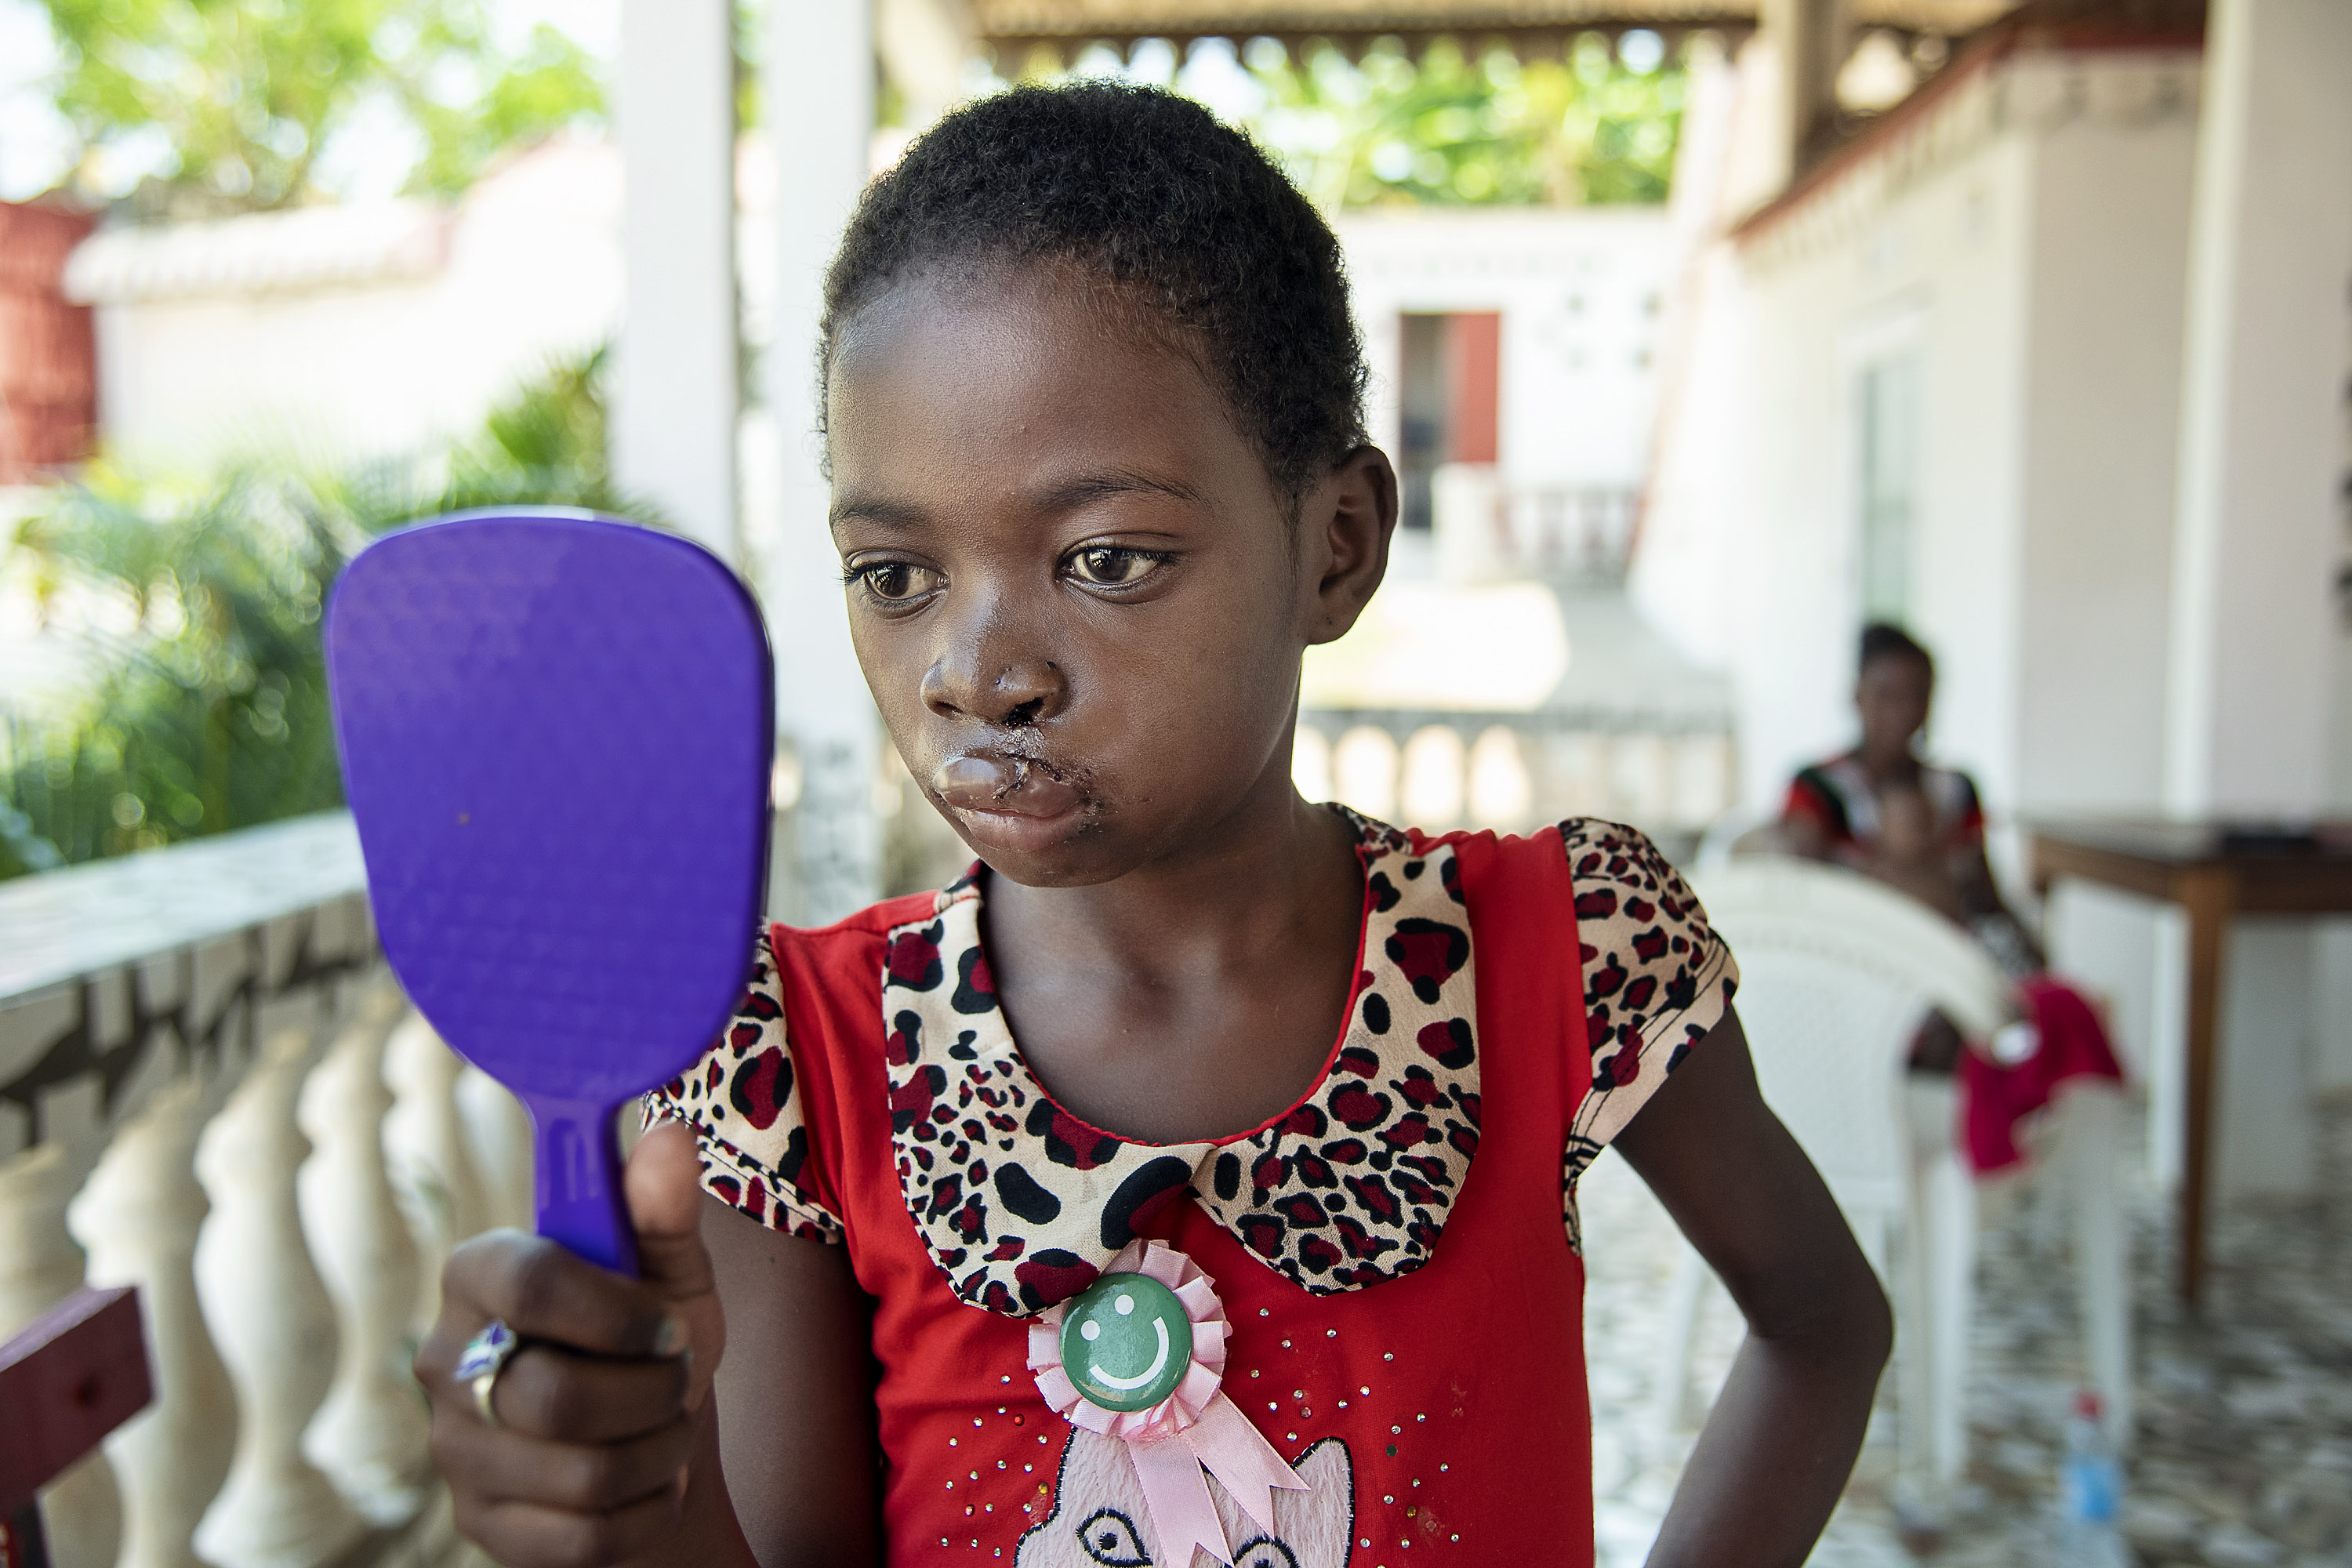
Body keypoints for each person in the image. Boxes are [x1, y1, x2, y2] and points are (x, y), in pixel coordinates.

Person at [413, 84, 1889, 1568]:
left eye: (1106, 557)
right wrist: (638, 1496)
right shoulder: (804, 1061)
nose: (978, 671)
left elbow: (1823, 1325)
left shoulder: (1558, 953)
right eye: (896, 574)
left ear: (1337, 548)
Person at [1779, 624, 2123, 1163]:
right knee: (1954, 1025)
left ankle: (1979, 1123)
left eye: (1918, 695)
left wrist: (2035, 959)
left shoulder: (1954, 789)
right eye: (1887, 694)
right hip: (1858, 975)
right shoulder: (1818, 788)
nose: (1903, 712)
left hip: (1953, 961)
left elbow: (1985, 895)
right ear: (1857, 697)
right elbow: (1807, 893)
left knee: (2046, 1011)